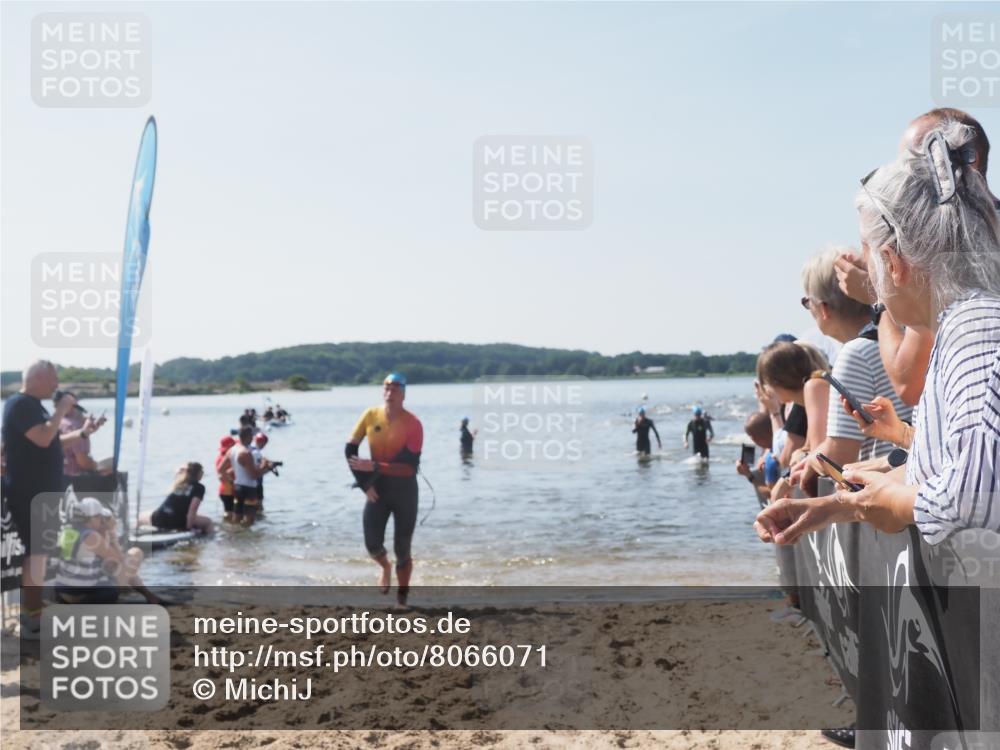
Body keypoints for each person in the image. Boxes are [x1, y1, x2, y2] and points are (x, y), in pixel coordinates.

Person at [755, 119, 1000, 546]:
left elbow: (979, 495)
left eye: (868, 255)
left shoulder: (973, 324)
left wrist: (896, 505)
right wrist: (826, 509)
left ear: (894, 262)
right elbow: (946, 466)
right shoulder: (956, 323)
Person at [788, 247, 913, 495]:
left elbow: (840, 452)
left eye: (807, 302)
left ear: (824, 309)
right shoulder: (907, 338)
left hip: (889, 495)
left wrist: (811, 461)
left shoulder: (855, 354)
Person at [1, 361, 85, 637]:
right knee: (36, 554)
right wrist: (62, 409)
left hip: (41, 492)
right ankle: (32, 616)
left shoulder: (33, 406)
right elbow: (42, 438)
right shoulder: (21, 404)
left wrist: (82, 433)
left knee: (40, 554)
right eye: (54, 379)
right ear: (38, 378)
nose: (57, 385)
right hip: (29, 492)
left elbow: (49, 441)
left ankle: (33, 609)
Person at [345, 372, 423, 608]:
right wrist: (365, 485)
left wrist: (375, 466)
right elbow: (349, 451)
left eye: (396, 388)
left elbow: (409, 468)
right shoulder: (370, 415)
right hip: (377, 489)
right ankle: (385, 567)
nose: (390, 392)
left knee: (403, 548)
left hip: (405, 491)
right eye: (386, 388)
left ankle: (402, 597)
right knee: (372, 545)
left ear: (404, 393)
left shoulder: (413, 424)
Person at [54, 497, 161, 605]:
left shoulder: (68, 530)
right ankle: (149, 596)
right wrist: (111, 531)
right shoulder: (91, 536)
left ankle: (150, 596)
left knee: (117, 568)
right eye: (100, 518)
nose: (102, 521)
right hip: (80, 595)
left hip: (64, 591)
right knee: (134, 555)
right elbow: (119, 559)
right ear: (92, 518)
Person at [58, 392, 111, 495]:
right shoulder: (73, 427)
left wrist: (94, 424)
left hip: (63, 478)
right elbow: (83, 462)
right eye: (76, 405)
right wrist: (98, 468)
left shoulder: (60, 422)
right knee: (111, 472)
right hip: (76, 481)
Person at [219, 426, 273, 526]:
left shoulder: (232, 450)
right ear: (249, 437)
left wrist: (231, 481)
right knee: (249, 519)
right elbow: (254, 475)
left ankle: (235, 537)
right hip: (249, 489)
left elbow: (221, 469)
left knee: (237, 516)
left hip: (237, 487)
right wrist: (266, 468)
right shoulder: (246, 453)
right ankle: (245, 539)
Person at [140, 462, 213, 534]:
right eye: (202, 471)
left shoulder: (180, 483)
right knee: (208, 522)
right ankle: (208, 541)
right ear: (199, 473)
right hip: (177, 521)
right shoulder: (199, 487)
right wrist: (189, 528)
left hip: (159, 518)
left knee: (141, 516)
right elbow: (193, 509)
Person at [215, 435, 237, 522]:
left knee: (230, 512)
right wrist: (232, 481)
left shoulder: (222, 457)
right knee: (229, 512)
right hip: (227, 490)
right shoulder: (223, 458)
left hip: (226, 490)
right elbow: (221, 475)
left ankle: (227, 529)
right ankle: (228, 529)